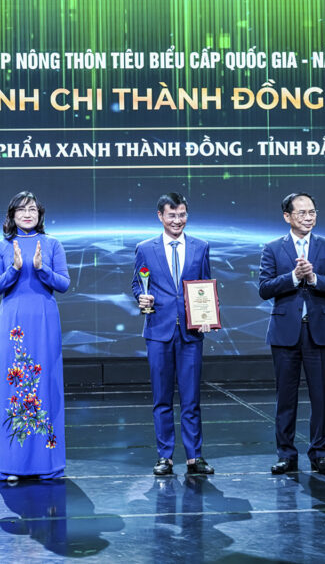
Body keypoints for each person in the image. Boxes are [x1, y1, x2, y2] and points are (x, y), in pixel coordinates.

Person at [258, 192, 325, 476]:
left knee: (321, 398)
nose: (308, 217)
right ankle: (286, 455)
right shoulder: (273, 249)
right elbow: (264, 289)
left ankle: (320, 454)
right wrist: (295, 277)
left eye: (312, 212)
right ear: (287, 216)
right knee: (285, 398)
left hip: (320, 332)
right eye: (302, 213)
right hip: (285, 334)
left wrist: (314, 278)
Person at [0, 191, 71, 481]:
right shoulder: (0, 247)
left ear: (39, 214)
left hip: (45, 320)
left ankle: (46, 464)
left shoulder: (52, 244)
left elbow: (64, 283)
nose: (27, 214)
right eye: (21, 209)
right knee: (15, 385)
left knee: (45, 384)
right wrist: (15, 269)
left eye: (32, 209)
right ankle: (12, 464)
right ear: (12, 215)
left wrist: (40, 268)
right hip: (14, 323)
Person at [132, 192, 215, 477]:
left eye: (182, 215)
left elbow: (205, 284)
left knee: (191, 399)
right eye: (172, 215)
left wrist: (207, 316)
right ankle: (164, 457)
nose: (177, 220)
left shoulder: (201, 246)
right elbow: (137, 283)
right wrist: (141, 297)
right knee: (162, 398)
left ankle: (194, 457)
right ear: (160, 216)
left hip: (191, 332)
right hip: (158, 330)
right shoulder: (145, 248)